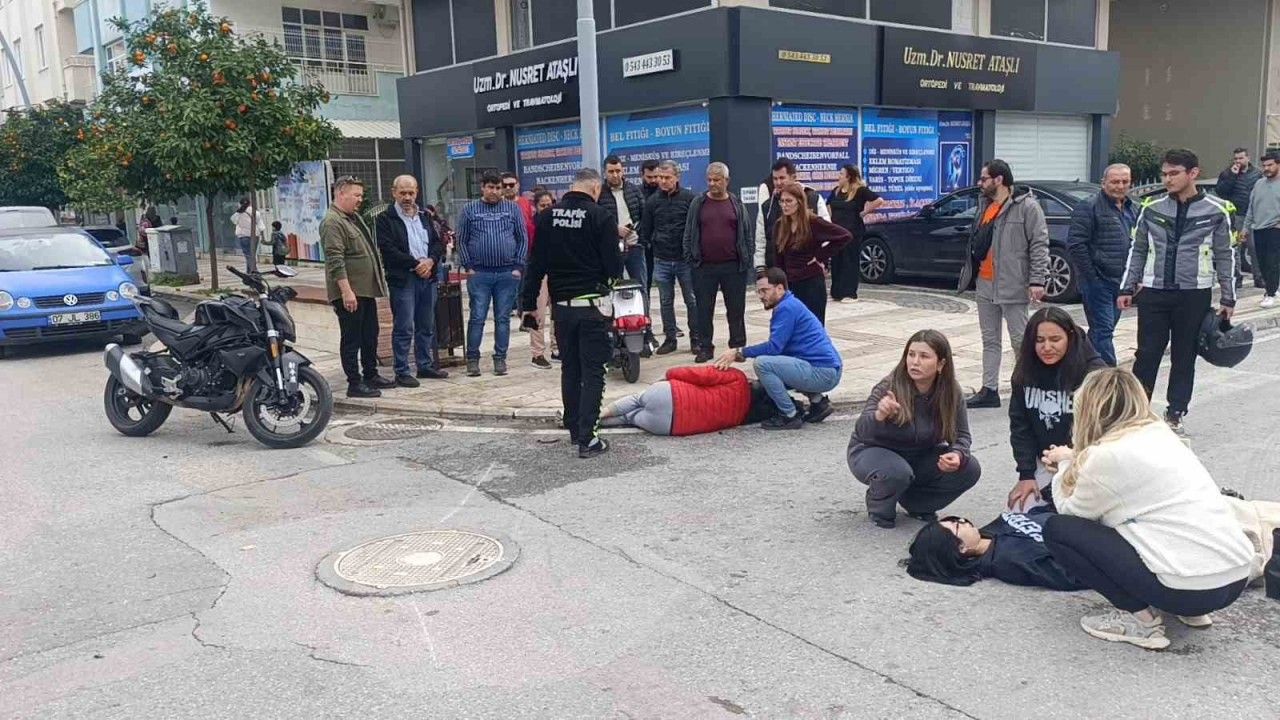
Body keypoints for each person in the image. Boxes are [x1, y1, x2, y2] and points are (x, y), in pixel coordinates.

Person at [1041, 368, 1255, 650]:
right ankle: (1191, 611)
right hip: (1235, 578)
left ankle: (1141, 622)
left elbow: (1070, 512)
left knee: (1058, 530)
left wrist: (1064, 465)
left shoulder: (1104, 456)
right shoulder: (1161, 433)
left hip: (1188, 589)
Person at [1119, 148, 1235, 434]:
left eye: (1174, 173)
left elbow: (1225, 254)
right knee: (1147, 355)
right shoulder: (1151, 207)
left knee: (1185, 356)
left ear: (1193, 173)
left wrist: (1228, 296)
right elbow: (1138, 249)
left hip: (1194, 294)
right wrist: (1127, 286)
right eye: (1164, 174)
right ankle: (1136, 413)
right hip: (1154, 292)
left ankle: (1175, 412)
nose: (1167, 179)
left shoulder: (1217, 210)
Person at [521, 168, 622, 459]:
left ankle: (574, 428)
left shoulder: (546, 217)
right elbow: (614, 267)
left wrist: (528, 305)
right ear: (595, 188)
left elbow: (535, 265)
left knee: (570, 369)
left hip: (562, 311)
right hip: (591, 307)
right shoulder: (601, 217)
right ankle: (588, 439)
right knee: (594, 372)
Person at [846, 329, 981, 529]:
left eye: (924, 356)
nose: (915, 362)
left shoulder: (951, 391)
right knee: (897, 472)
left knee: (969, 468)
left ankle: (918, 504)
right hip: (873, 452)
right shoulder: (889, 386)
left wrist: (957, 454)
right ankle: (879, 506)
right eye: (911, 354)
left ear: (941, 364)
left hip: (919, 455)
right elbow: (862, 431)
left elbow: (961, 435)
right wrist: (879, 415)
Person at [959, 159, 1049, 409]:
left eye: (984, 178)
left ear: (999, 180)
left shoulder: (1027, 207)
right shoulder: (985, 205)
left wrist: (1037, 280)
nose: (980, 183)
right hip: (985, 282)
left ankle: (1027, 387)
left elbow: (1039, 244)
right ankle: (989, 389)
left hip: (1013, 283)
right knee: (990, 340)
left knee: (1020, 340)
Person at [713, 268, 842, 430]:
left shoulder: (786, 308)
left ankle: (789, 415)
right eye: (758, 291)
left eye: (765, 290)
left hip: (823, 373)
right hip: (828, 369)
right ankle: (818, 403)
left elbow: (774, 348)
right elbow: (781, 352)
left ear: (780, 288)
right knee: (771, 374)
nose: (761, 296)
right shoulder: (790, 304)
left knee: (762, 364)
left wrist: (740, 352)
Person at [1007, 307, 1106, 512]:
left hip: (1086, 462)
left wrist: (1072, 459)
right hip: (1046, 460)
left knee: (1074, 513)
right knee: (1019, 510)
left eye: (1055, 339)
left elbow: (1106, 434)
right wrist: (1026, 474)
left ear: (1070, 338)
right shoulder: (1025, 371)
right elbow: (1020, 425)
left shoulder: (1095, 375)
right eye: (1039, 340)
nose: (1047, 347)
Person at [321, 177, 395, 398]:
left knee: (370, 334)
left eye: (361, 195)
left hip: (365, 290)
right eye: (356, 195)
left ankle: (371, 374)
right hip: (351, 293)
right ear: (341, 193)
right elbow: (335, 259)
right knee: (352, 338)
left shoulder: (352, 218)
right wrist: (346, 291)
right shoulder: (332, 222)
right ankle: (354, 382)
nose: (360, 200)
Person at [375, 174, 449, 388]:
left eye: (411, 193)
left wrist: (430, 261)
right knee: (404, 326)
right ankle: (402, 371)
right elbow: (388, 249)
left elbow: (438, 243)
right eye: (403, 193)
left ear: (417, 192)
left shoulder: (425, 216)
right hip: (404, 278)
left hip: (428, 276)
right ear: (394, 193)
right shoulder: (385, 219)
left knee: (426, 325)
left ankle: (425, 365)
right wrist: (416, 264)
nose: (407, 197)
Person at [457, 171, 530, 378]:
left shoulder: (512, 209)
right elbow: (461, 240)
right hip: (479, 273)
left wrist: (518, 266)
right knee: (477, 317)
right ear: (482, 187)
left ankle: (500, 358)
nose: (495, 191)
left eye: (498, 188)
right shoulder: (469, 209)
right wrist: (468, 266)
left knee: (503, 319)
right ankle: (473, 360)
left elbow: (522, 238)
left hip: (507, 273)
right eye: (490, 187)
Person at [907, 509, 1085, 591]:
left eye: (955, 519)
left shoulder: (990, 532)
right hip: (1089, 537)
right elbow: (1071, 576)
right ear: (961, 548)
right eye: (957, 526)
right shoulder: (1007, 560)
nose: (963, 520)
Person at [1066, 163, 1136, 366]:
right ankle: (1108, 375)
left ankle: (1082, 365)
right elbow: (1076, 244)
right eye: (1115, 181)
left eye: (1125, 181)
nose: (1120, 186)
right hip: (1098, 282)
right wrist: (1092, 278)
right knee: (1103, 331)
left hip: (1121, 282)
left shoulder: (1133, 208)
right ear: (1103, 182)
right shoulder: (1089, 207)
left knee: (1102, 331)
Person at [684, 162, 753, 364]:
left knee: (736, 309)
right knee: (704, 310)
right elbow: (688, 233)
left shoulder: (736, 204)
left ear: (726, 181)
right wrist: (691, 258)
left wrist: (747, 259)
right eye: (709, 180)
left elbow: (746, 233)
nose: (712, 183)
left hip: (733, 266)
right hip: (704, 267)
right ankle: (705, 347)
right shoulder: (698, 203)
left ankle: (737, 347)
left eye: (717, 180)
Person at [758, 182, 851, 325]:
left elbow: (844, 236)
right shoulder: (779, 225)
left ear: (799, 202)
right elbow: (778, 258)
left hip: (811, 283)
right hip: (790, 284)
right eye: (782, 201)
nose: (785, 205)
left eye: (789, 201)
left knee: (813, 327)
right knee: (791, 326)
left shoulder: (813, 222)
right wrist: (778, 285)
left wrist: (820, 256)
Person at [600, 366, 779, 436]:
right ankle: (597, 423)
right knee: (629, 418)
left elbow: (698, 374)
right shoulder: (741, 419)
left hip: (671, 395)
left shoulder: (737, 378)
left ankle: (597, 415)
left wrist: (669, 373)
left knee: (636, 400)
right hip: (668, 426)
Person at [598, 155, 655, 356]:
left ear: (623, 171)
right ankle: (613, 336)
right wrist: (614, 229)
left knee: (641, 288)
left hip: (634, 245)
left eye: (618, 171)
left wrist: (637, 231)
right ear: (605, 172)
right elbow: (597, 219)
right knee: (610, 290)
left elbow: (644, 214)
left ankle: (646, 333)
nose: (615, 175)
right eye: (611, 171)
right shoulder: (600, 193)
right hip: (611, 248)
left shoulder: (633, 190)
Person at [641, 160, 698, 355]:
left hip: (685, 260)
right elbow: (646, 229)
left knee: (691, 300)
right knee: (666, 301)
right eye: (660, 178)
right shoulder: (652, 202)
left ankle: (696, 338)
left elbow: (696, 228)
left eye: (667, 177)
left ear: (677, 177)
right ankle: (670, 338)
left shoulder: (690, 199)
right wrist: (653, 242)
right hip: (662, 259)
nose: (663, 181)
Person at [755, 157, 831, 270]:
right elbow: (760, 240)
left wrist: (823, 260)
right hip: (778, 271)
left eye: (782, 178)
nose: (778, 182)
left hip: (808, 269)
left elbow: (827, 235)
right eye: (775, 179)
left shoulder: (813, 199)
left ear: (793, 177)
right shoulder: (767, 206)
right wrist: (760, 269)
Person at [826, 165, 884, 302]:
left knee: (849, 261)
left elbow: (878, 200)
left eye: (841, 174)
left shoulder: (860, 191)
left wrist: (864, 212)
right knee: (837, 261)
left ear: (848, 176)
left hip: (852, 231)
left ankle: (849, 293)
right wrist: (830, 220)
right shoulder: (836, 191)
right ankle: (837, 292)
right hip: (837, 233)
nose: (839, 176)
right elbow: (828, 204)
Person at [1216, 147, 1264, 288]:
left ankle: (1259, 277)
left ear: (1248, 158)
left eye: (1241, 158)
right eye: (1236, 158)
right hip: (1235, 215)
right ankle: (1237, 278)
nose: (1238, 161)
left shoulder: (1257, 174)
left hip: (1253, 216)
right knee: (1235, 249)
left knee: (1255, 248)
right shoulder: (1227, 173)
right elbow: (1221, 192)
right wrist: (1232, 176)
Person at [1242, 150, 1280, 306]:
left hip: (1275, 229)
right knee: (1262, 262)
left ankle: (1270, 293)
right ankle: (1274, 287)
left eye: (1270, 165)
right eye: (1264, 165)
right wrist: (1245, 228)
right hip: (1258, 228)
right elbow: (1251, 207)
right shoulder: (1259, 184)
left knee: (1272, 261)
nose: (1266, 168)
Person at [527, 189, 559, 368]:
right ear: (536, 207)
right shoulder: (532, 225)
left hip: (557, 271)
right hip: (539, 272)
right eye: (543, 205)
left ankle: (557, 348)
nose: (547, 208)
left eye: (549, 205)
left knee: (558, 313)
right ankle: (537, 353)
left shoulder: (559, 222)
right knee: (538, 313)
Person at [501, 171, 536, 246]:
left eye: (511, 185)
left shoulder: (526, 202)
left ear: (517, 185)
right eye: (504, 185)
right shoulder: (496, 204)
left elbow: (530, 225)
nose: (508, 188)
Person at [231, 198, 258, 273]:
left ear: (240, 204)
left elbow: (233, 220)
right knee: (252, 255)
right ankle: (249, 271)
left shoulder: (238, 214)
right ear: (250, 204)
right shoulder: (255, 212)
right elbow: (260, 224)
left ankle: (253, 270)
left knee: (248, 255)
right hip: (255, 236)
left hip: (244, 236)